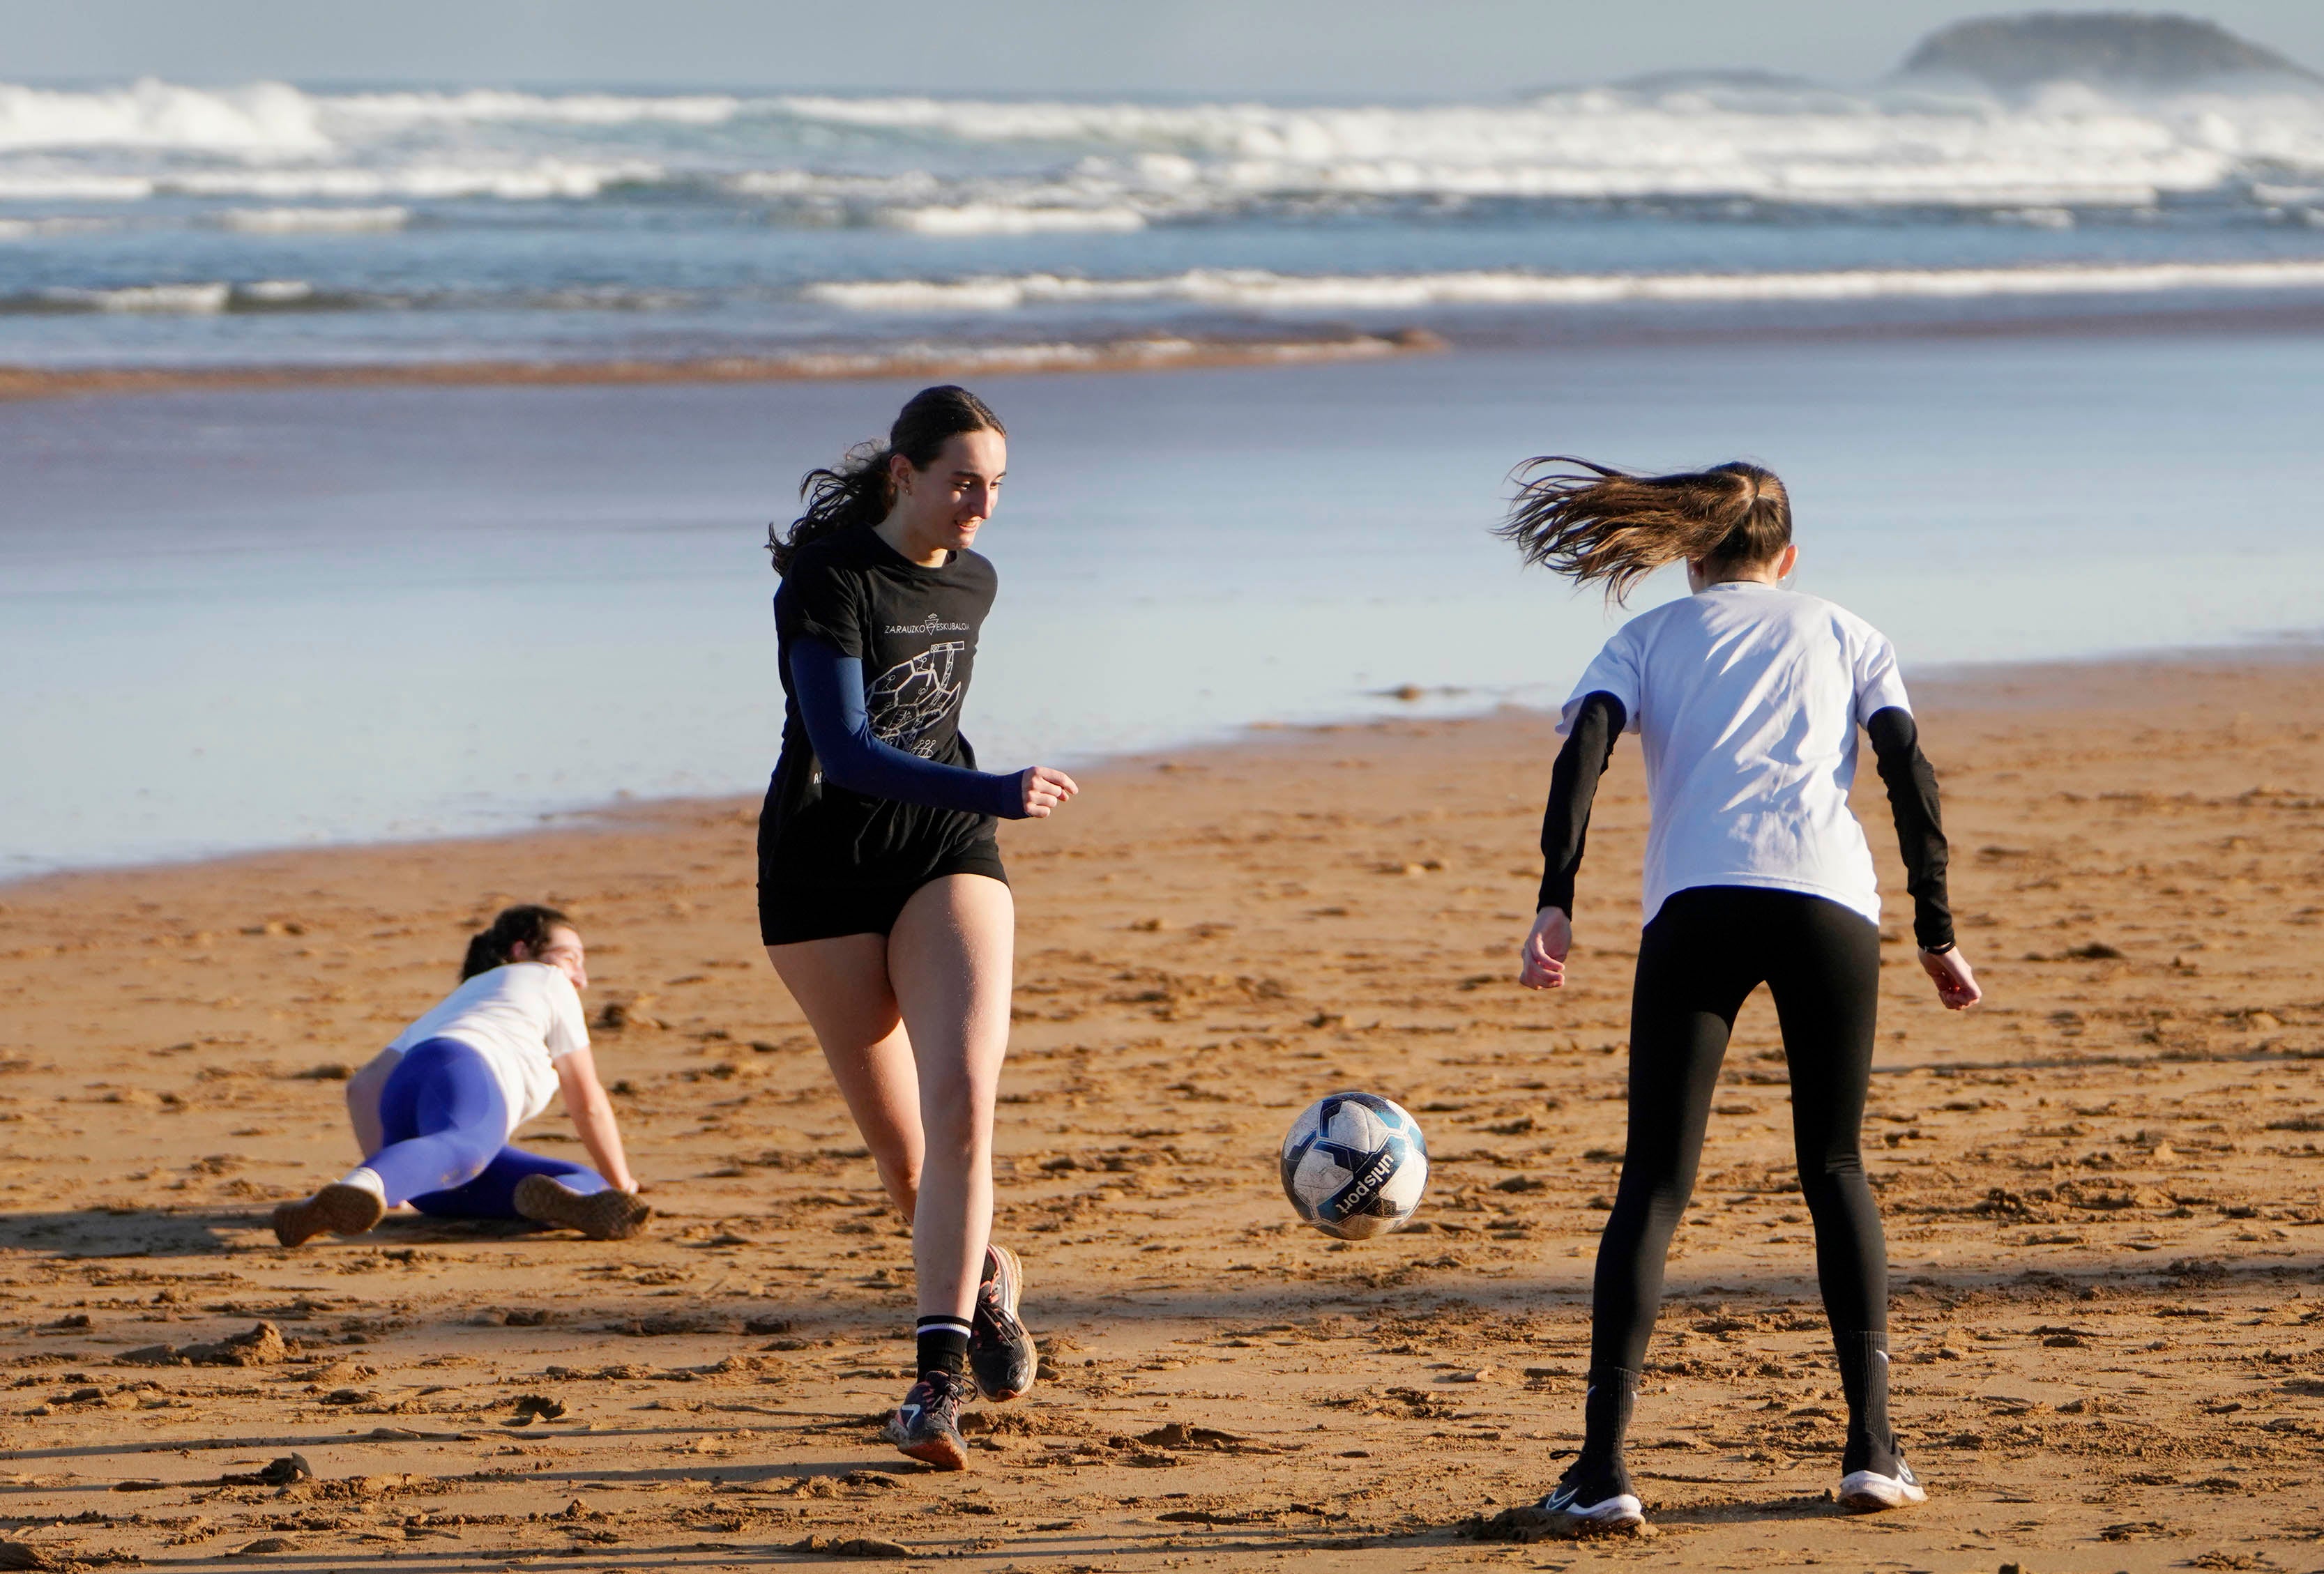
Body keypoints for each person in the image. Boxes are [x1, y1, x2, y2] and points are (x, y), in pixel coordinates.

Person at [1503, 457, 1981, 1532]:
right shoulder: (1849, 630)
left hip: (1697, 906)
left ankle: (1604, 1468)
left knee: (1655, 1186)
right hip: (1831, 907)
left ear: (1690, 552)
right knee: (1835, 1164)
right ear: (1788, 558)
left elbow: (1582, 752)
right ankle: (1871, 1450)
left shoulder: (1649, 639)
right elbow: (1909, 772)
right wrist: (1936, 929)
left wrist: (1554, 899)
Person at [759, 385, 1078, 1471]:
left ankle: (930, 1388)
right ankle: (985, 1274)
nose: (981, 505)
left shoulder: (977, 580)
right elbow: (842, 752)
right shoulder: (830, 577)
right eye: (962, 481)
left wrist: (978, 805)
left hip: (945, 852)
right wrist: (998, 789)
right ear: (905, 473)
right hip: (820, 873)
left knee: (962, 1106)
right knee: (906, 1166)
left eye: (995, 486)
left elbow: (930, 732)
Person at [272, 904, 648, 1246]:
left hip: (410, 1111)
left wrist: (399, 1189)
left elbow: (363, 1087)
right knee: (465, 1145)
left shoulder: (462, 999)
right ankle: (358, 1187)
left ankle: (571, 1203)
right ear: (521, 952)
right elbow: (587, 1101)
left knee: (574, 1179)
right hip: (463, 1070)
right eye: (571, 958)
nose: (580, 978)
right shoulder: (547, 979)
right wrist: (622, 1180)